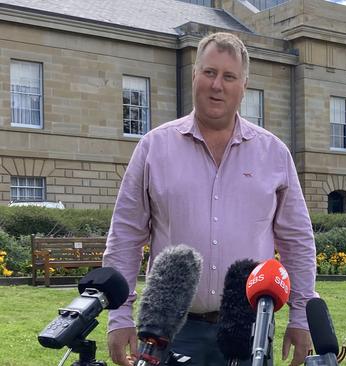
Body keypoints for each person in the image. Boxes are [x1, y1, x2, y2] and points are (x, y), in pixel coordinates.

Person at [103, 32, 317, 366]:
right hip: (170, 327)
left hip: (250, 328)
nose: (217, 85)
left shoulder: (274, 153)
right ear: (194, 75)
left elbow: (297, 241)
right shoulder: (153, 148)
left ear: (243, 85)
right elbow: (125, 236)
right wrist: (119, 316)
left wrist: (301, 317)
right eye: (209, 72)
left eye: (229, 76)